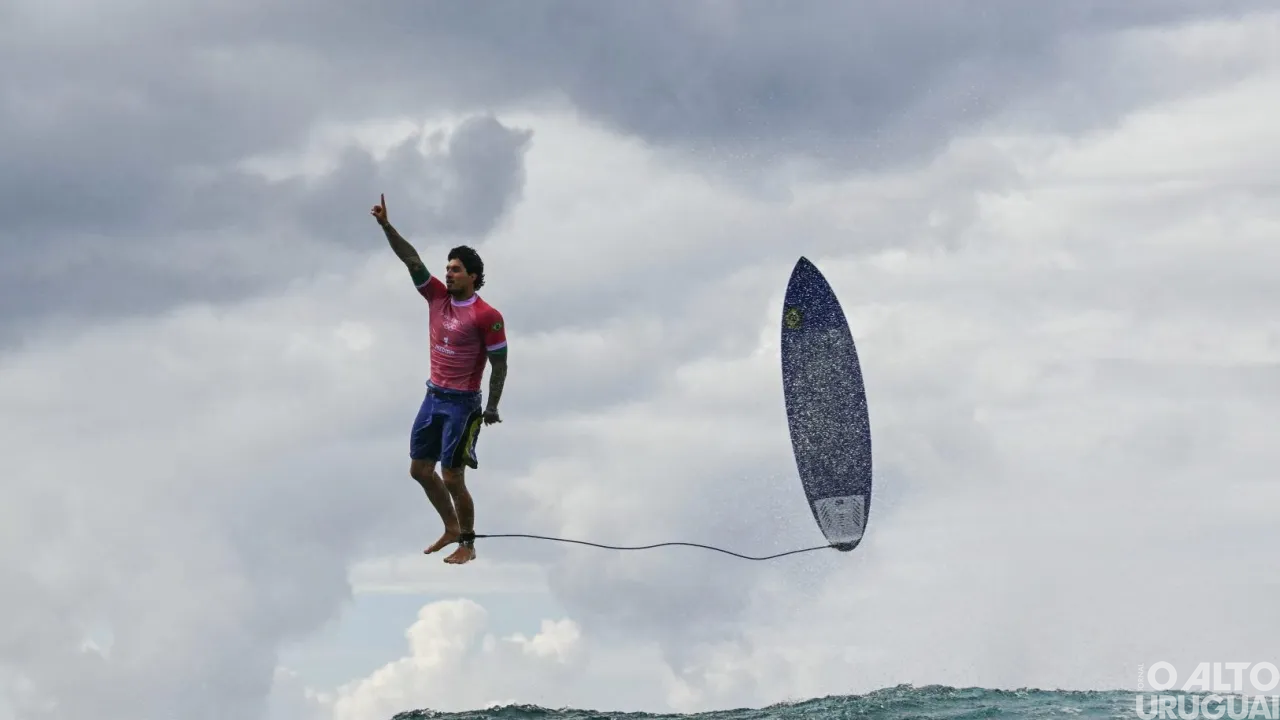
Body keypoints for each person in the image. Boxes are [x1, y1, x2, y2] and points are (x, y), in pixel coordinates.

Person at [370, 193, 508, 565]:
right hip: (433, 396)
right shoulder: (436, 297)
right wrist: (386, 226)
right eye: (447, 268)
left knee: (452, 476)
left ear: (473, 276)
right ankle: (450, 527)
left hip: (463, 404)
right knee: (419, 470)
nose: (448, 274)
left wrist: (492, 406)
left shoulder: (487, 315)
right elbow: (411, 259)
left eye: (456, 269)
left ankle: (468, 543)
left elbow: (500, 365)